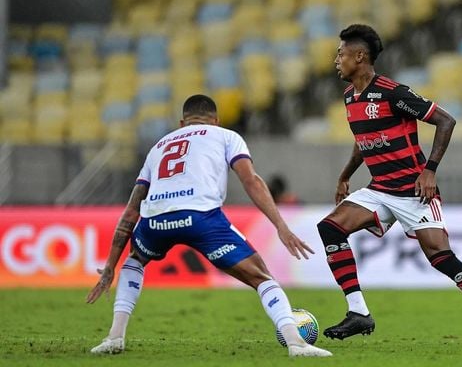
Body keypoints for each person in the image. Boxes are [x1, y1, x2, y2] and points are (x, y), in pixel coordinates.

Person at [316, 24, 462, 348]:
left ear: (360, 57)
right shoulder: (349, 97)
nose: (336, 59)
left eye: (341, 53)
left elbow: (446, 120)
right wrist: (345, 175)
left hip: (415, 191)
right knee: (330, 228)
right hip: (380, 189)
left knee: (442, 258)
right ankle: (358, 311)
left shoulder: (393, 92)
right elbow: (364, 141)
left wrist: (429, 171)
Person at [87, 94, 332, 357]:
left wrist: (111, 265)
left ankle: (114, 337)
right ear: (216, 120)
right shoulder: (226, 136)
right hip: (201, 217)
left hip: (156, 219)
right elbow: (251, 181)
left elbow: (132, 209)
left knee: (134, 261)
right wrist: (281, 226)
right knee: (261, 277)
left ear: (182, 123)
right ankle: (296, 344)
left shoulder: (159, 146)